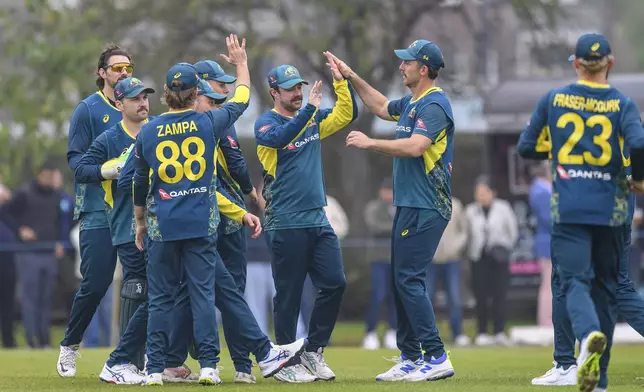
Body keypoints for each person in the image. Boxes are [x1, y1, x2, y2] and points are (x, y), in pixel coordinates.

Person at [132, 35, 304, 386]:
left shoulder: (149, 131)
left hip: (164, 224)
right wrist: (241, 64)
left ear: (165, 93)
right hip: (199, 223)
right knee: (203, 293)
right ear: (197, 93)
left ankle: (153, 371)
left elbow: (138, 181)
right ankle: (211, 365)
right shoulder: (208, 124)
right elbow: (241, 97)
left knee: (162, 298)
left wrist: (139, 221)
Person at [517, 33, 644, 392]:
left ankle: (585, 338)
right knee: (608, 289)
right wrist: (638, 178)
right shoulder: (621, 103)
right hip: (614, 208)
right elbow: (639, 142)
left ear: (575, 63)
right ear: (610, 63)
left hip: (572, 207)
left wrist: (562, 153)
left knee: (572, 282)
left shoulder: (555, 99)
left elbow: (526, 147)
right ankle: (599, 380)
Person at [330, 39, 456, 382]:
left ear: (424, 69)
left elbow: (417, 147)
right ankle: (411, 357)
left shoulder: (434, 105)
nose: (402, 66)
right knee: (403, 280)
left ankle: (436, 355)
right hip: (409, 204)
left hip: (428, 205)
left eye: (407, 63)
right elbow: (382, 106)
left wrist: (371, 144)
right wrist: (352, 76)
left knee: (408, 279)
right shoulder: (413, 102)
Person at [253, 57, 357, 382]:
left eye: (299, 87)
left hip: (317, 219)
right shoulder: (264, 124)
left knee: (335, 282)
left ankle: (313, 351)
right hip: (284, 221)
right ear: (274, 92)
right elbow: (280, 138)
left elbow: (345, 114)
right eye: (289, 90)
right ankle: (285, 359)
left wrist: (340, 82)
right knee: (289, 294)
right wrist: (310, 111)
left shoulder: (309, 117)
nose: (297, 93)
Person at [58, 43, 133, 377]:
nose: (123, 73)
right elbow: (76, 163)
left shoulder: (137, 106)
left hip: (134, 210)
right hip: (97, 209)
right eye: (117, 68)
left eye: (128, 68)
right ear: (102, 73)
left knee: (141, 283)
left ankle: (133, 356)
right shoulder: (87, 110)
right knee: (96, 283)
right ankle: (71, 345)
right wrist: (109, 169)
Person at [75, 76, 155, 382]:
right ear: (119, 104)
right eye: (135, 98)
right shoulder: (109, 137)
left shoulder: (159, 127)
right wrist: (111, 168)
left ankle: (153, 360)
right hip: (127, 227)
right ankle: (125, 363)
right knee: (140, 291)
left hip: (160, 227)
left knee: (163, 292)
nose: (143, 102)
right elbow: (82, 169)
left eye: (145, 96)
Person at [2, 160, 65, 349]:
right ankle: (31, 340)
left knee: (45, 299)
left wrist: (59, 242)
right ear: (41, 174)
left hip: (49, 252)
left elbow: (60, 222)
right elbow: (5, 213)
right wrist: (20, 229)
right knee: (30, 299)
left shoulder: (56, 196)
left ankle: (44, 340)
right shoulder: (24, 193)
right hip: (28, 253)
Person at [465, 177, 518, 346]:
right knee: (480, 295)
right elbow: (467, 234)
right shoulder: (471, 211)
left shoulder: (503, 208)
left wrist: (504, 247)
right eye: (478, 193)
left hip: (499, 257)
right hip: (478, 257)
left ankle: (499, 331)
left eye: (484, 193)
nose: (481, 196)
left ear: (492, 193)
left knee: (499, 294)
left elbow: (513, 231)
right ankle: (481, 332)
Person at [362, 178, 397, 350]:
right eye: (386, 191)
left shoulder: (399, 207)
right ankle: (370, 332)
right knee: (378, 294)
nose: (389, 195)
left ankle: (393, 330)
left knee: (394, 296)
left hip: (396, 258)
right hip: (378, 259)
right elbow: (375, 226)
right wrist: (396, 227)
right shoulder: (374, 207)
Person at [430, 196, 469, 346]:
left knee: (454, 296)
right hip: (430, 259)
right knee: (426, 297)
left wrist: (456, 247)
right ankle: (426, 336)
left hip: (452, 259)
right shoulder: (425, 201)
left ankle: (457, 332)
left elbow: (464, 230)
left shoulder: (456, 204)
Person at [529, 161, 553, 328]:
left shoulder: (543, 188)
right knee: (548, 284)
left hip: (549, 241)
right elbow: (549, 219)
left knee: (550, 283)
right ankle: (546, 322)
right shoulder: (541, 190)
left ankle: (549, 320)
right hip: (548, 242)